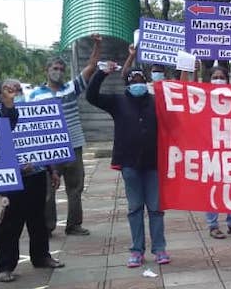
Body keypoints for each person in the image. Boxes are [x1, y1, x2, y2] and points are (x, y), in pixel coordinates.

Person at [86, 49, 170, 267]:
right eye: (133, 80)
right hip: (130, 164)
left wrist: (187, 71)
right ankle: (137, 250)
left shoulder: (156, 101)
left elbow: (180, 103)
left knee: (155, 208)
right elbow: (91, 96)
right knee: (134, 208)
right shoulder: (117, 101)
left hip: (153, 164)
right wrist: (101, 74)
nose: (138, 83)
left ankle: (159, 249)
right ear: (127, 83)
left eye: (141, 79)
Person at [29, 34, 100, 237]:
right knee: (48, 190)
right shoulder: (34, 96)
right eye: (54, 69)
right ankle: (47, 227)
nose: (58, 72)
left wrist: (97, 44)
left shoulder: (70, 88)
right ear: (46, 70)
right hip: (48, 148)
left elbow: (91, 66)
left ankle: (74, 224)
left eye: (61, 69)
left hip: (73, 145)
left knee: (75, 187)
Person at [0, 79, 64, 282]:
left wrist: (52, 170)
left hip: (36, 176)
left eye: (18, 89)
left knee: (38, 221)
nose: (14, 93)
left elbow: (45, 141)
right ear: (0, 94)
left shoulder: (33, 113)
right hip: (9, 180)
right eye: (9, 90)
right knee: (8, 224)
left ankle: (41, 256)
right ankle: (5, 266)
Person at [203, 66, 231, 239]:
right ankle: (213, 225)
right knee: (212, 188)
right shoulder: (203, 98)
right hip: (211, 150)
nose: (218, 80)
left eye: (222, 77)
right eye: (215, 77)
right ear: (209, 80)